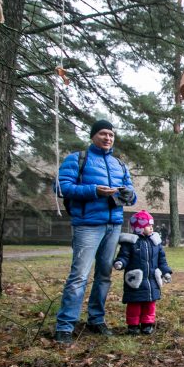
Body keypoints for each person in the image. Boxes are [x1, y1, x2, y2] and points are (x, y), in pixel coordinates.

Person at [54, 119, 137, 344]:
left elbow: (132, 194)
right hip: (87, 225)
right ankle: (65, 325)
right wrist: (94, 191)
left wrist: (129, 194)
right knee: (79, 275)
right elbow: (61, 187)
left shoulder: (119, 164)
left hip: (114, 224)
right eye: (103, 134)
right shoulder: (77, 159)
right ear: (93, 136)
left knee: (104, 275)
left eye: (111, 135)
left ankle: (96, 319)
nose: (107, 138)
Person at [112, 210, 173, 335]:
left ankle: (147, 324)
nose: (151, 228)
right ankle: (133, 325)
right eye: (148, 226)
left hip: (152, 279)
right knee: (134, 303)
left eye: (152, 225)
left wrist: (166, 272)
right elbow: (124, 256)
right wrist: (120, 262)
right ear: (139, 228)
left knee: (150, 303)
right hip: (136, 279)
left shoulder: (155, 243)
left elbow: (162, 260)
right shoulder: (130, 243)